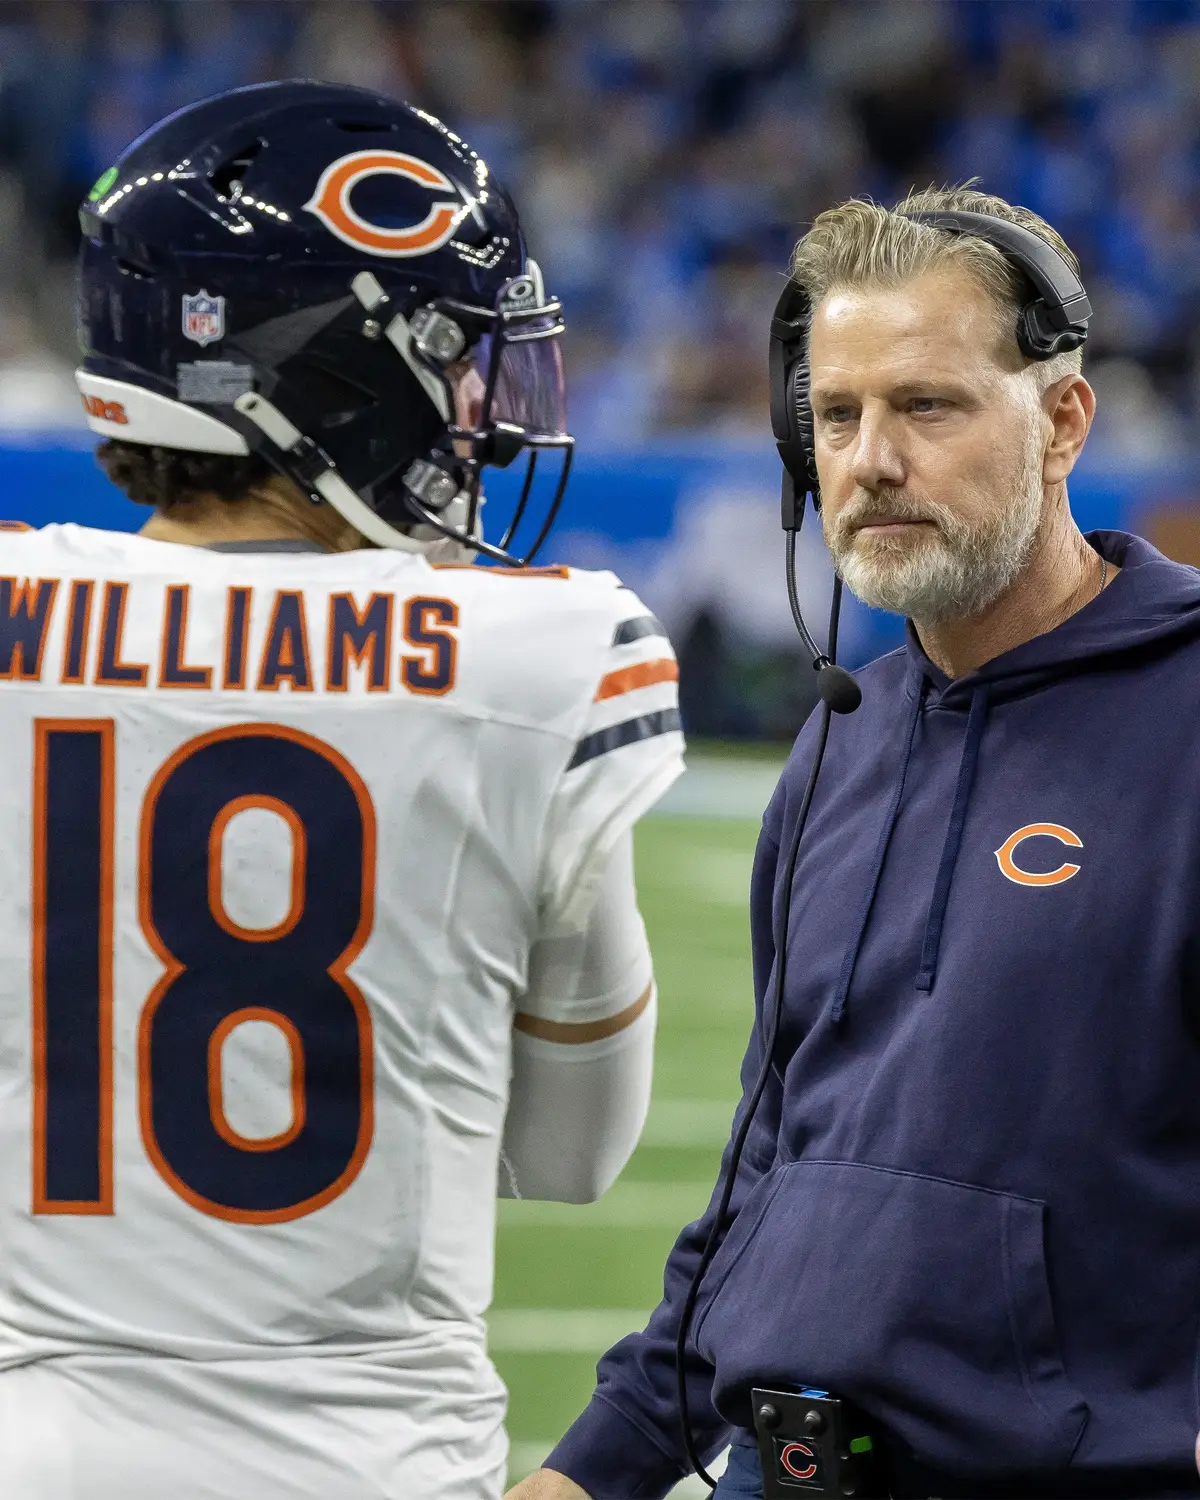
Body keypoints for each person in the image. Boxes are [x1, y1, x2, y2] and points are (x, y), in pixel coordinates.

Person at [0, 82, 683, 1500]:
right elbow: (571, 1148)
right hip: (366, 1460)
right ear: (320, 370)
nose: (477, 415)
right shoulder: (538, 657)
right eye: (450, 356)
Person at [509, 185, 1200, 1500]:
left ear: (1062, 420)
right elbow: (765, 1181)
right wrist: (587, 1473)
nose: (871, 457)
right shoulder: (840, 740)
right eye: (836, 414)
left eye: (926, 405)